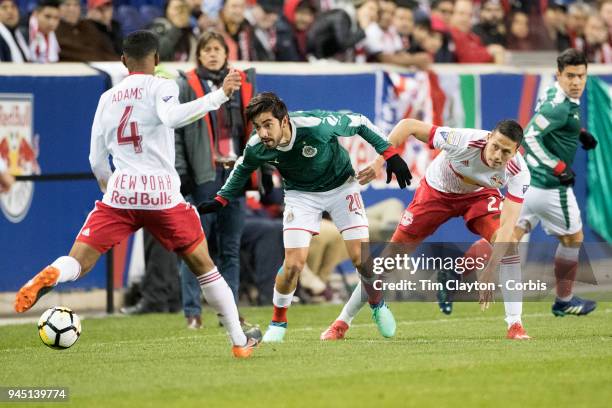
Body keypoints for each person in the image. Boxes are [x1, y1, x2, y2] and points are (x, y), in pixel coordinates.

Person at [13, 30, 261, 358]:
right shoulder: (163, 85)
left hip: (120, 195)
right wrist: (218, 96)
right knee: (205, 266)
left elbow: (96, 159)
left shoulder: (107, 98)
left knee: (79, 260)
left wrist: (110, 187)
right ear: (156, 60)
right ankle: (239, 342)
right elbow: (173, 118)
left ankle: (55, 273)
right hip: (161, 195)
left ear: (122, 61)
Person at [198, 92, 412, 343]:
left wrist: (390, 156)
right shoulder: (257, 145)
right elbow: (243, 168)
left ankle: (378, 305)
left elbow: (360, 122)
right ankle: (278, 322)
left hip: (342, 187)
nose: (263, 133)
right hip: (301, 196)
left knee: (360, 259)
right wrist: (221, 199)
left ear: (284, 121)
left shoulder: (316, 126)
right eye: (258, 127)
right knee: (293, 265)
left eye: (268, 125)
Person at [321, 118, 533, 341]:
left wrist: (490, 269)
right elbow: (407, 126)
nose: (498, 155)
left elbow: (509, 228)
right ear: (488, 137)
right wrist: (379, 162)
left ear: (517, 151)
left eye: (506, 152)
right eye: (495, 146)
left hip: (479, 196)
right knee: (388, 260)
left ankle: (515, 325)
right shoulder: (462, 140)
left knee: (508, 246)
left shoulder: (518, 172)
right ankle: (341, 322)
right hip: (436, 193)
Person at [174, 30, 256, 329]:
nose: (212, 53)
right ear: (199, 54)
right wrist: (182, 172)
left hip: (234, 171)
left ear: (226, 53)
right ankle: (192, 311)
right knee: (195, 245)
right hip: (203, 174)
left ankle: (228, 312)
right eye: (207, 49)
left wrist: (263, 171)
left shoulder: (242, 84)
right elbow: (177, 133)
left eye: (217, 49)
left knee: (230, 247)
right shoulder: (185, 85)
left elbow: (253, 128)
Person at [515, 49, 597, 317]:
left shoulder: (553, 93)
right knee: (574, 238)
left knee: (507, 236)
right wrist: (558, 166)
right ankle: (564, 300)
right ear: (559, 74)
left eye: (581, 76)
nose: (576, 82)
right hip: (550, 187)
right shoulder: (559, 106)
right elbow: (529, 137)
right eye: (570, 76)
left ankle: (455, 273)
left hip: (529, 181)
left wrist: (579, 133)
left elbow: (548, 126)